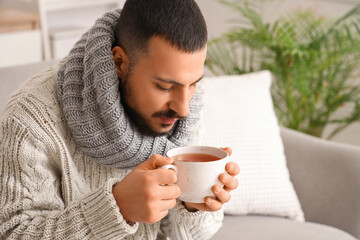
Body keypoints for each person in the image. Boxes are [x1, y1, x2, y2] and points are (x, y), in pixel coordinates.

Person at [0, 0, 240, 239]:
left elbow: (184, 235)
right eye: (165, 86)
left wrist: (192, 205)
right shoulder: (30, 119)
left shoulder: (184, 113)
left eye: (194, 84)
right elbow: (13, 233)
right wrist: (117, 208)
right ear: (119, 62)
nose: (184, 108)